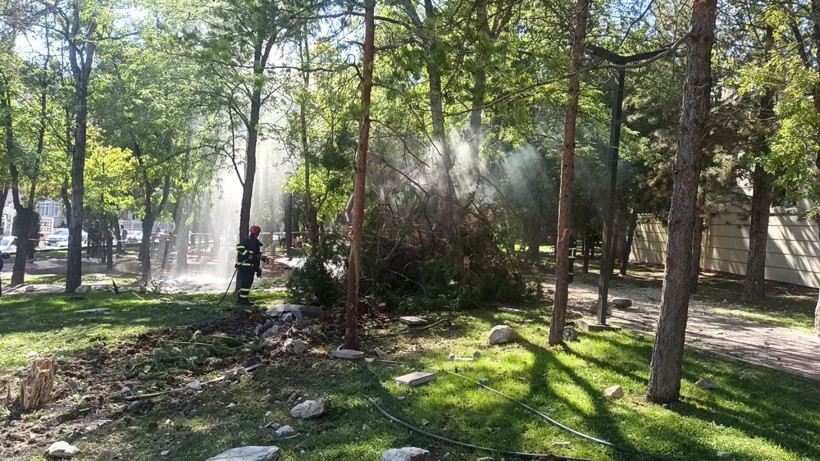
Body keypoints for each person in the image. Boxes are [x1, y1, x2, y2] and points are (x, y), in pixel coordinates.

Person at [235, 225, 268, 305]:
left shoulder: (255, 243)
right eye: (257, 233)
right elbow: (239, 247)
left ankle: (241, 298)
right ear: (257, 233)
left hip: (250, 267)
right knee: (246, 284)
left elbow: (255, 255)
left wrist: (262, 259)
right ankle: (243, 301)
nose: (257, 234)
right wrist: (247, 255)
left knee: (247, 284)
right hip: (245, 266)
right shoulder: (247, 240)